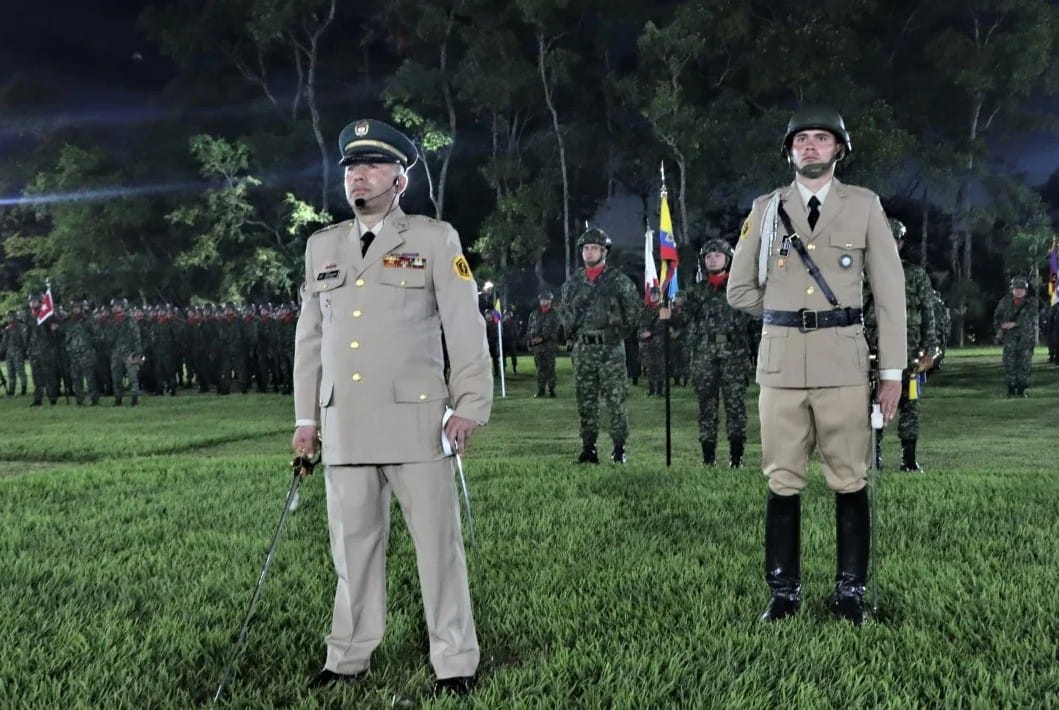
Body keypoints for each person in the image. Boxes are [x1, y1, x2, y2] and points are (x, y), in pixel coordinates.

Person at [291, 118, 492, 697]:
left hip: (417, 422)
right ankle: (347, 658)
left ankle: (455, 663)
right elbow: (309, 340)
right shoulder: (322, 246)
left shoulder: (434, 239)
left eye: (374, 165)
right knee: (352, 552)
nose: (360, 175)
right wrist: (307, 420)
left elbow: (464, 324)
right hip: (345, 423)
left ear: (400, 180)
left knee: (437, 550)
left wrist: (470, 403)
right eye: (353, 166)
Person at [727, 106, 906, 625]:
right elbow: (739, 290)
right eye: (801, 139)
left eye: (821, 139)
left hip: (844, 368)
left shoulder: (865, 206)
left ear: (839, 150)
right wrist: (787, 315)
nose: (810, 147)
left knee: (850, 480)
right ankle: (783, 595)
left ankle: (850, 594)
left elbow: (891, 295)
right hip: (781, 368)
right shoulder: (765, 209)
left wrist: (891, 374)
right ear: (789, 151)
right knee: (782, 480)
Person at [560, 227, 642, 463]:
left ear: (604, 251)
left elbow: (633, 312)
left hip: (610, 350)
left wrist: (616, 335)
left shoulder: (618, 281)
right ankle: (589, 449)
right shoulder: (573, 283)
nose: (589, 252)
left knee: (616, 400)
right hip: (584, 349)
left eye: (594, 248)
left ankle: (619, 449)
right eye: (586, 248)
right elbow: (565, 314)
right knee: (586, 400)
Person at [863, 219, 937, 471]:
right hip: (875, 351)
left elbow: (929, 314)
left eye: (894, 240)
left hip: (911, 352)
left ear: (901, 243)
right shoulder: (866, 274)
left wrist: (931, 351)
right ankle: (874, 458)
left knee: (910, 406)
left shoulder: (916, 275)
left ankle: (908, 460)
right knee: (873, 405)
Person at [683, 239, 752, 467]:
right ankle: (708, 457)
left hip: (734, 354)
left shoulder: (739, 289)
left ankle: (736, 457)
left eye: (718, 255)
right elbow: (684, 321)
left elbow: (752, 323)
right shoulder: (695, 293)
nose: (713, 259)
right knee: (706, 407)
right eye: (709, 256)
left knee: (735, 406)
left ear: (728, 259)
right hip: (704, 355)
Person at [992, 275, 1038, 397]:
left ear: (1026, 290)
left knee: (1024, 364)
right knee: (1009, 363)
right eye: (1016, 288)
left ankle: (1021, 389)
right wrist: (999, 328)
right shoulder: (1005, 302)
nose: (1019, 291)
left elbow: (1031, 318)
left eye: (1021, 289)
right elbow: (997, 316)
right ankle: (1011, 388)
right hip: (1010, 339)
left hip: (1026, 338)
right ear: (1012, 289)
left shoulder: (1031, 303)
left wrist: (1015, 324)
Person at [526, 290, 561, 397]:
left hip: (549, 346)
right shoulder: (534, 314)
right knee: (540, 368)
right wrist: (530, 341)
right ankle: (541, 389)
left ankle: (551, 389)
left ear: (550, 300)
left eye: (545, 299)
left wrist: (542, 338)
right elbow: (529, 328)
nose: (543, 301)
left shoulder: (554, 314)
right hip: (537, 347)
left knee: (550, 368)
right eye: (542, 299)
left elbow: (554, 329)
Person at [637, 286, 666, 396]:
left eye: (656, 294)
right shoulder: (646, 309)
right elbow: (641, 324)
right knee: (650, 366)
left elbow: (664, 325)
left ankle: (660, 390)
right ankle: (651, 390)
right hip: (647, 343)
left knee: (660, 366)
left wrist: (651, 332)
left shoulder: (663, 309)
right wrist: (641, 335)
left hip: (659, 341)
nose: (654, 296)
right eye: (652, 294)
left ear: (659, 296)